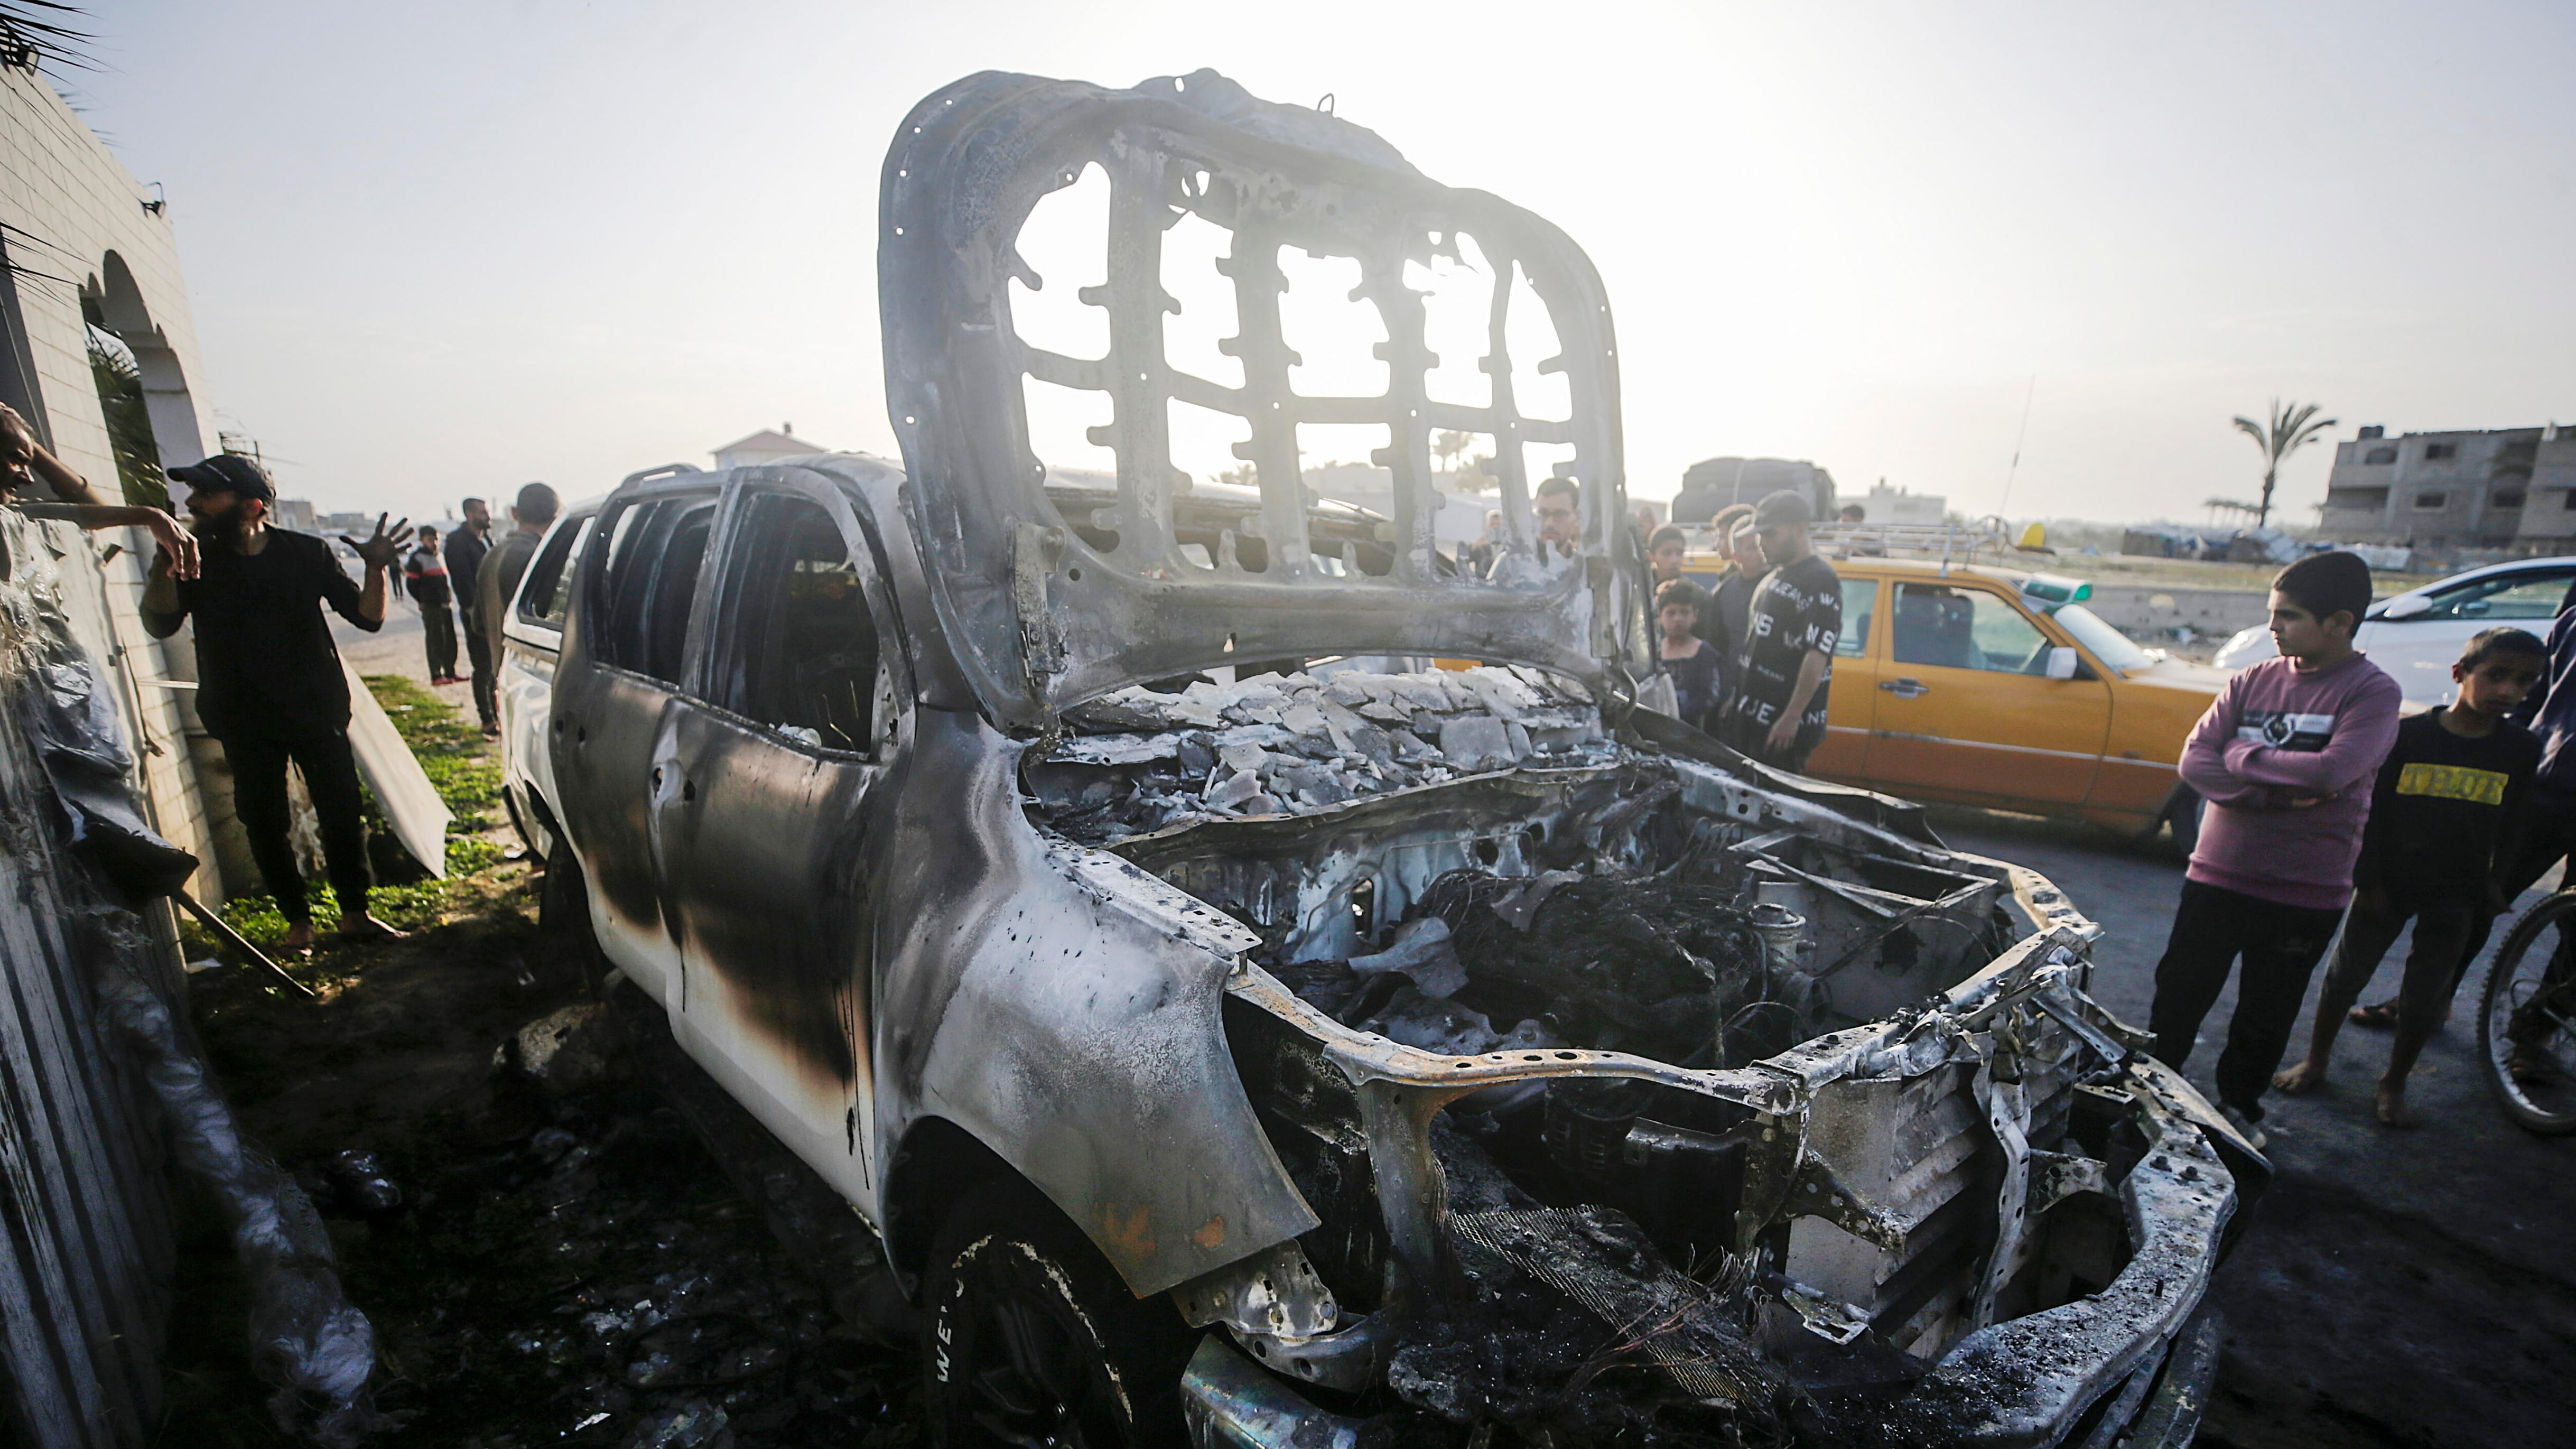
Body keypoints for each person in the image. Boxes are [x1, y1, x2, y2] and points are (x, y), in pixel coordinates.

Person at [2145, 551, 2402, 1148]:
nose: (2273, 627)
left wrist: (2242, 757)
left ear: (2339, 623)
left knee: (2265, 1014)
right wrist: (2266, 790)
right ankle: (2152, 1094)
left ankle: (2237, 1109)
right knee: (2178, 998)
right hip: (2216, 876)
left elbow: (2333, 771)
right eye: (2272, 613)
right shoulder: (2252, 680)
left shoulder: (2372, 694)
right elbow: (2196, 760)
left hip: (2304, 893)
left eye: (2287, 616)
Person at [136, 453, 411, 951]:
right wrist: (164, 564)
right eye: (191, 493)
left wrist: (374, 569)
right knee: (264, 823)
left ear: (252, 506)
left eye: (205, 494)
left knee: (341, 813)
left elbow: (368, 618)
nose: (192, 502)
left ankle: (355, 915)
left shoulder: (306, 553)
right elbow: (160, 623)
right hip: (241, 715)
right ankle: (298, 924)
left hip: (315, 707)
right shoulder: (197, 559)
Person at [2274, 628, 2546, 1127]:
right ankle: (2315, 1060)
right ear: (2459, 674)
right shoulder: (2408, 735)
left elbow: (2513, 823)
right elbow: (2371, 811)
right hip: (2388, 884)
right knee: (2344, 978)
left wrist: (2496, 884)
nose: (2508, 691)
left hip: (2458, 893)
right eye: (2496, 675)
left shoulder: (2520, 749)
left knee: (2425, 997)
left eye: (2525, 682)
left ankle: (2393, 1083)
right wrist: (2367, 878)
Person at [2362, 587, 2576, 1031]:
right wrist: (2503, 743)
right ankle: (2425, 1002)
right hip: (2546, 786)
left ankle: (2536, 1033)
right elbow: (2536, 694)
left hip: (2547, 780)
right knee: (2477, 900)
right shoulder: (2572, 617)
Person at [0, 402, 200, 579]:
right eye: (16, 461)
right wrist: (150, 516)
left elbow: (92, 508)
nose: (29, 479)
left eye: (28, 464)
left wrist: (19, 435)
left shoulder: (12, 514)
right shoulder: (9, 517)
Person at [1718, 490, 1838, 771]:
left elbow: (1817, 653)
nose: (1762, 543)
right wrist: (1737, 696)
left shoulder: (1820, 579)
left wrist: (1792, 717)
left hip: (1780, 732)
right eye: (1759, 535)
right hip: (1750, 719)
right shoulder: (1775, 574)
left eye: (1770, 534)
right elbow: (1757, 643)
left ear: (1800, 528)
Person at [475, 482, 561, 693]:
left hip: (505, 678)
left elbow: (478, 625)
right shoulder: (541, 559)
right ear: (556, 516)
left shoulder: (491, 555)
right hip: (536, 684)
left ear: (514, 513)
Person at [449, 496, 496, 732]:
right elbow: (462, 580)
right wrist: (473, 612)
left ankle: (497, 713)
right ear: (469, 514)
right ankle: (487, 719)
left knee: (496, 665)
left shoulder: (486, 539)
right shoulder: (458, 542)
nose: (487, 517)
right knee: (483, 667)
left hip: (494, 611)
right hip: (476, 613)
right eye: (482, 512)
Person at [1656, 578, 1724, 732]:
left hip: (1692, 730)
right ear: (1660, 616)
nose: (1678, 619)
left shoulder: (1704, 653)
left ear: (1695, 616)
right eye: (1671, 613)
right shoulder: (1655, 652)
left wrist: (1679, 714)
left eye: (1684, 613)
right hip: (1658, 726)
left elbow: (1709, 697)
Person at [404, 525, 460, 684]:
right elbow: (411, 584)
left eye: (436, 539)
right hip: (431, 605)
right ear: (422, 541)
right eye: (430, 540)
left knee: (449, 639)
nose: (434, 543)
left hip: (445, 604)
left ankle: (450, 672)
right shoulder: (417, 559)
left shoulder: (440, 556)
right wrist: (422, 600)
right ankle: (436, 674)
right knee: (435, 639)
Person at [1709, 507, 1763, 650]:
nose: (1760, 552)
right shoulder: (1724, 591)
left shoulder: (1781, 585)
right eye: (1753, 547)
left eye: (1761, 545)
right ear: (1737, 556)